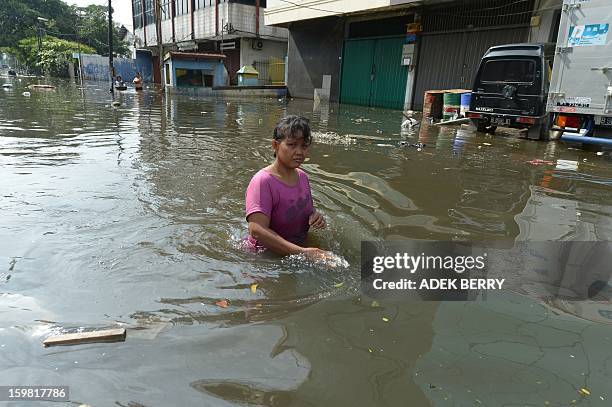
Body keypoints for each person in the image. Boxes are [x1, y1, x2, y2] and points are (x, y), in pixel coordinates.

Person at [245, 115, 327, 258]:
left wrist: (316, 216)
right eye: (292, 145)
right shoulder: (263, 181)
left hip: (296, 252)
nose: (299, 152)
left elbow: (302, 209)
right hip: (264, 258)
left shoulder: (302, 177)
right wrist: (303, 252)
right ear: (275, 145)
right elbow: (256, 230)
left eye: (304, 146)